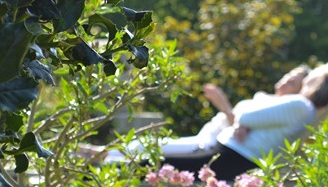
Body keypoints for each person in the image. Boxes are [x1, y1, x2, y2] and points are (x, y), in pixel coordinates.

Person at [160, 60, 328, 180]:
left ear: (322, 80)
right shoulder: (305, 110)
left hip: (231, 157)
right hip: (233, 156)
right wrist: (245, 123)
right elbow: (248, 116)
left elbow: (243, 114)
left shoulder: (300, 105)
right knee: (156, 161)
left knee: (153, 163)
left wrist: (244, 122)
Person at [101, 65, 310, 163]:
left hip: (208, 144)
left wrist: (223, 104)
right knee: (139, 146)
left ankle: (94, 157)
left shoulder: (281, 111)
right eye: (288, 75)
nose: (286, 80)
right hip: (204, 138)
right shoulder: (263, 98)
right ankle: (91, 153)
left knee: (142, 149)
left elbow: (237, 125)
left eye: (293, 82)